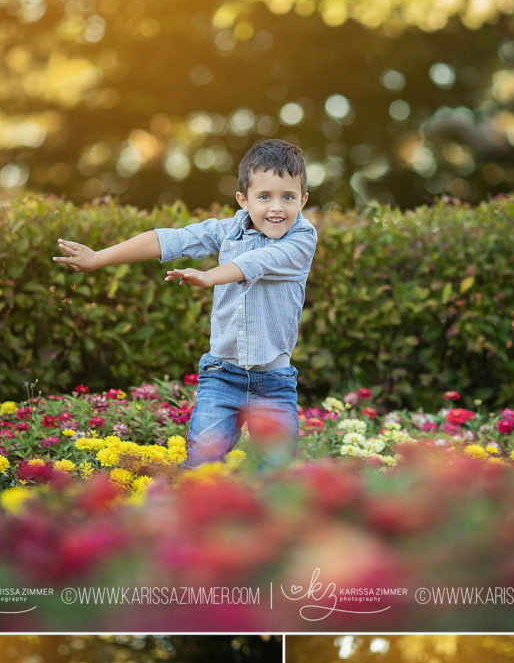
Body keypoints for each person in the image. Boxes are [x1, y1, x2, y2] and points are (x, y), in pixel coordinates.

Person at [53, 138, 317, 469]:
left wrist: (209, 276)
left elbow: (259, 262)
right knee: (199, 468)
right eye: (264, 196)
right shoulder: (229, 231)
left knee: (275, 479)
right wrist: (98, 258)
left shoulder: (302, 239)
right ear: (243, 200)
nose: (276, 207)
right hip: (222, 376)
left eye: (288, 197)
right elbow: (171, 239)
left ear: (303, 200)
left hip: (275, 383)